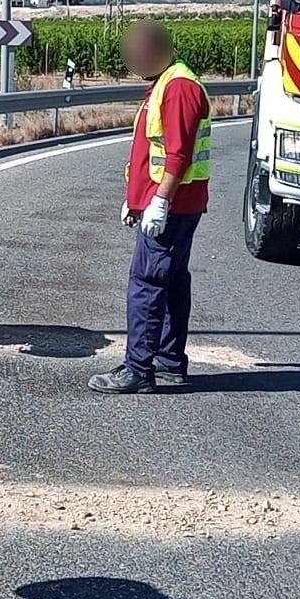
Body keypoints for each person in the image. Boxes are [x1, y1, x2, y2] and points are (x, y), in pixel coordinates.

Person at [90, 20, 211, 394]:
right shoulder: (166, 83)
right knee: (171, 281)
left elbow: (178, 154)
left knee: (147, 282)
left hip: (172, 206)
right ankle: (169, 361)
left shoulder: (177, 88)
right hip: (170, 203)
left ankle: (138, 368)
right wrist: (136, 199)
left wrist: (159, 202)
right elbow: (150, 152)